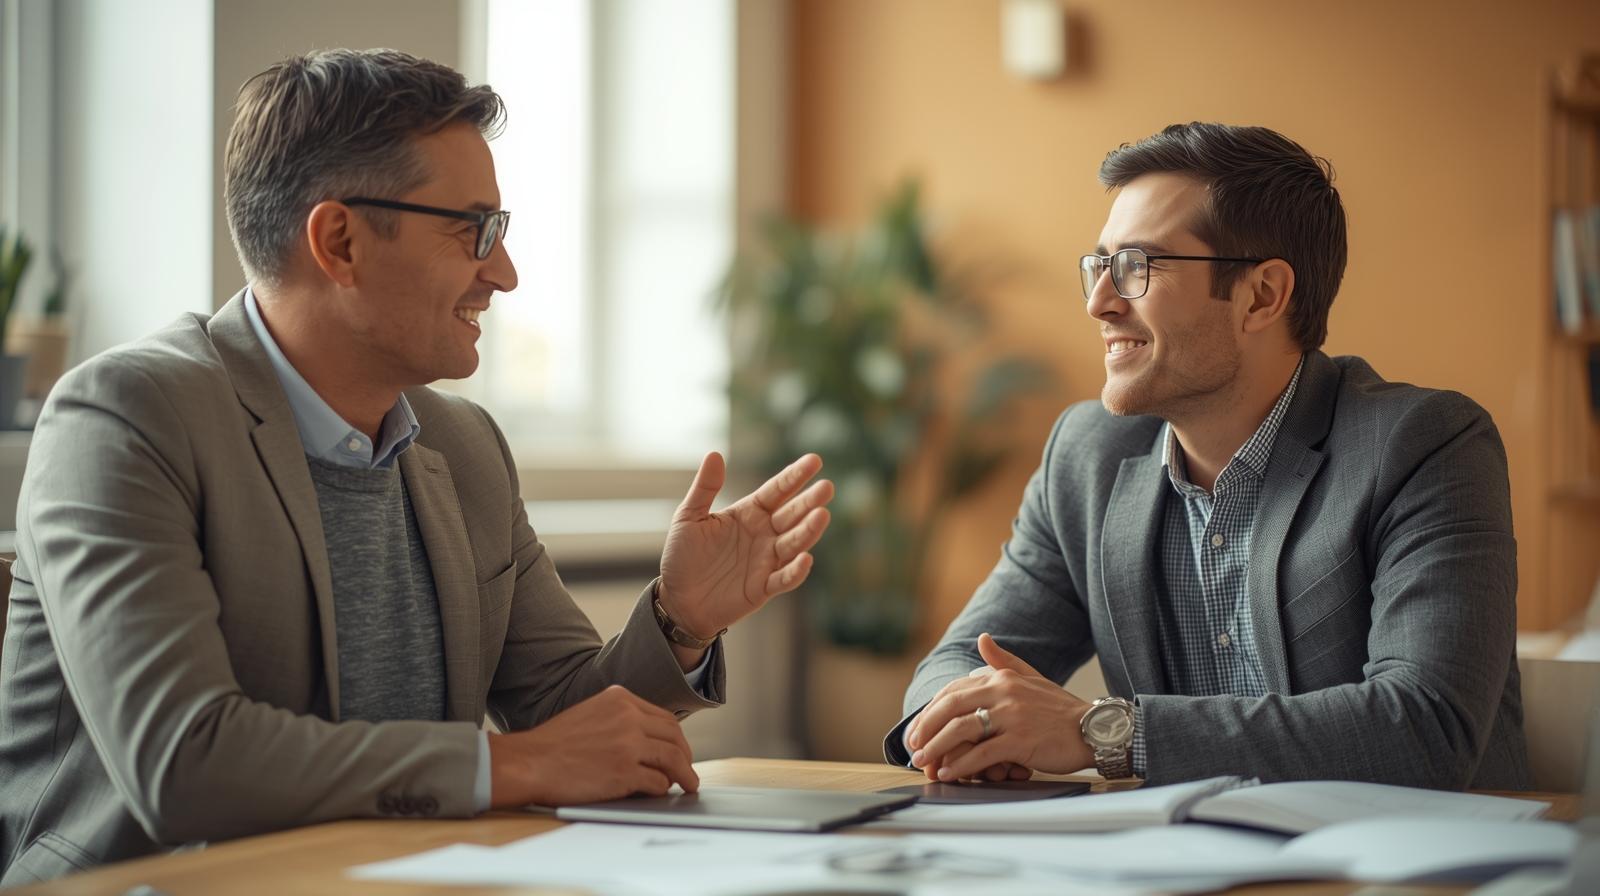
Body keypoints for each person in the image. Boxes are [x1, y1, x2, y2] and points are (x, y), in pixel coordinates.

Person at [0, 49, 833, 884]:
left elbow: (569, 724)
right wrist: (508, 766)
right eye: (475, 230)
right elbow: (182, 762)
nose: (504, 274)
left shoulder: (464, 446)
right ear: (340, 241)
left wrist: (680, 619)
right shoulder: (121, 419)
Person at [885, 122, 1529, 792]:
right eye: (1100, 265)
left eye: (1137, 267)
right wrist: (976, 726)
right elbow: (958, 661)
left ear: (1262, 296)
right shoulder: (1088, 458)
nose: (1100, 302)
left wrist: (1104, 734)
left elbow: (1425, 729)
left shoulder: (1425, 444)